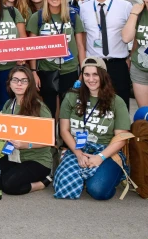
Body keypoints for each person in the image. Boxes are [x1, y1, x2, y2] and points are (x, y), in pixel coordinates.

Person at [55, 58, 130, 200]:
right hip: (78, 148)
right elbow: (64, 130)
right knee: (62, 187)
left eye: (95, 74)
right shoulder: (71, 97)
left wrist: (100, 158)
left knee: (98, 191)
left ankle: (113, 172)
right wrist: (78, 154)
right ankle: (88, 174)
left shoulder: (117, 101)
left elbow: (121, 138)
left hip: (106, 151)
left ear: (103, 76)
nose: (91, 79)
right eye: (86, 74)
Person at [0, 66, 54, 195]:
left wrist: (26, 144)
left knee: (9, 186)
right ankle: (16, 174)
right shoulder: (9, 104)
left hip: (37, 159)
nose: (19, 84)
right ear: (9, 83)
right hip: (14, 156)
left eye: (24, 81)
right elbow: (4, 130)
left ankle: (42, 183)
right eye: (15, 80)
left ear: (30, 84)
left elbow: (50, 140)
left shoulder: (39, 108)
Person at [27, 0, 86, 116]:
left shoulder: (72, 16)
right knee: (49, 108)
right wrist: (34, 72)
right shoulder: (38, 17)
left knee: (68, 108)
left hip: (69, 70)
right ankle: (51, 136)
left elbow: (80, 46)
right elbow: (32, 47)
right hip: (47, 70)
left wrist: (83, 71)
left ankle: (65, 136)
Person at [79, 0, 133, 106]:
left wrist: (130, 56)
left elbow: (134, 33)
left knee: (120, 103)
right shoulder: (84, 8)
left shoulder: (125, 6)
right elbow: (82, 37)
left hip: (118, 64)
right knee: (95, 104)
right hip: (94, 65)